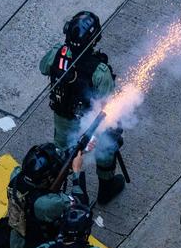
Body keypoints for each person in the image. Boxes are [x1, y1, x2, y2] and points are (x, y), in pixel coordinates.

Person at [39, 11, 124, 204]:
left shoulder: (57, 54)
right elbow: (107, 102)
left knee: (66, 157)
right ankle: (106, 188)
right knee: (107, 145)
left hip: (62, 119)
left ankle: (75, 196)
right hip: (90, 123)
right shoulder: (99, 71)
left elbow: (43, 67)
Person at [8, 143, 89, 248]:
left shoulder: (16, 175)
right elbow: (81, 205)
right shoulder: (46, 204)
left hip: (19, 238)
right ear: (48, 178)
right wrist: (77, 171)